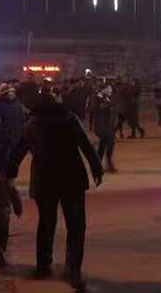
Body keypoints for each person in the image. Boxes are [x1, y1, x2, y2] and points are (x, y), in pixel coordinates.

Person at [7, 93, 103, 290]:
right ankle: (73, 269)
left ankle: (44, 265)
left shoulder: (32, 124)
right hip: (72, 177)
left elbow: (18, 150)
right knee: (76, 226)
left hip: (45, 179)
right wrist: (96, 169)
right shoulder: (70, 119)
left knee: (46, 223)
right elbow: (86, 145)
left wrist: (10, 174)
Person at [0, 84, 25, 163]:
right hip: (13, 134)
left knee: (4, 156)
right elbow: (22, 119)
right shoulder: (17, 104)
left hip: (6, 135)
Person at [93, 85, 116, 172]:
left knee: (103, 145)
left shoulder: (106, 98)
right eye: (108, 89)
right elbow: (99, 108)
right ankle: (108, 164)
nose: (110, 90)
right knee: (109, 143)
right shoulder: (97, 98)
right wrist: (110, 104)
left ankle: (99, 164)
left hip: (107, 126)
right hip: (102, 126)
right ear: (103, 89)